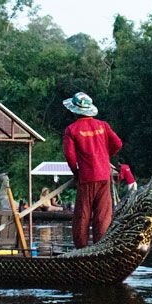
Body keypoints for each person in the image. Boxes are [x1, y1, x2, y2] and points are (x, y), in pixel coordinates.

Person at [61, 91, 123, 248]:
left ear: (75, 111)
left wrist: (76, 173)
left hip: (87, 177)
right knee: (103, 215)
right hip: (104, 175)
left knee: (82, 215)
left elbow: (70, 156)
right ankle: (100, 248)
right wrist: (103, 157)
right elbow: (118, 144)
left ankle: (82, 250)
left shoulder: (72, 129)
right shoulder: (103, 125)